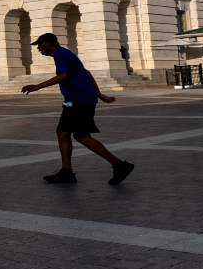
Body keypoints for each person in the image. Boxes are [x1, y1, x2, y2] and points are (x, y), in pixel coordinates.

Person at [21, 33, 135, 185]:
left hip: (79, 101)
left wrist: (37, 87)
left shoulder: (59, 53)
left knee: (81, 136)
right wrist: (99, 94)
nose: (39, 50)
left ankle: (120, 165)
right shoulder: (65, 53)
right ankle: (66, 172)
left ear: (49, 43)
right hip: (75, 100)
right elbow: (86, 73)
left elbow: (63, 76)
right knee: (63, 132)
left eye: (40, 46)